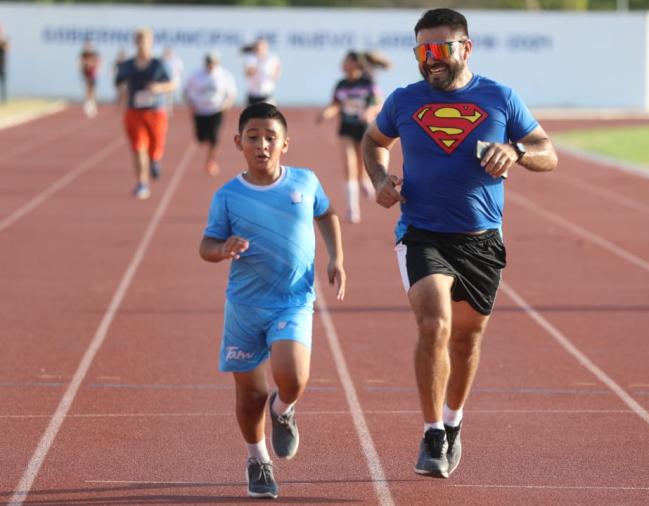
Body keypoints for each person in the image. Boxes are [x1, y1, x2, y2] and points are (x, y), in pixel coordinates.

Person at [361, 8, 557, 479]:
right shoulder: (404, 100)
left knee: (467, 340)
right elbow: (373, 142)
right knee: (436, 325)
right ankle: (431, 434)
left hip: (482, 240)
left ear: (464, 48)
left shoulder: (500, 98)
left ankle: (452, 423)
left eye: (439, 49)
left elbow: (549, 153)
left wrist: (517, 151)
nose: (430, 60)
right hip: (421, 232)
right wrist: (379, 179)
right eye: (421, 51)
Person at [199, 102, 346, 499]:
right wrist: (223, 249)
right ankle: (257, 459)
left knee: (293, 378)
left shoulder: (305, 182)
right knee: (250, 394)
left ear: (285, 143)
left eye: (270, 138)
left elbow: (328, 213)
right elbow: (206, 246)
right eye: (253, 137)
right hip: (245, 307)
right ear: (238, 142)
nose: (262, 145)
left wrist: (336, 257)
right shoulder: (227, 196)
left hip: (292, 301)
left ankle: (283, 411)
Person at [316, 50, 391, 224]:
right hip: (346, 128)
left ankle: (364, 178)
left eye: (347, 61)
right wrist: (325, 114)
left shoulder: (368, 83)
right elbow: (335, 104)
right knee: (348, 165)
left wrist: (369, 111)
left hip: (364, 129)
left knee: (361, 163)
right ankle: (352, 208)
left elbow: (378, 104)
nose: (343, 64)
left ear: (356, 64)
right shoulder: (341, 84)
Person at [115, 28, 174, 200]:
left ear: (151, 42)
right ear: (135, 43)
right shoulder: (127, 65)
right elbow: (119, 83)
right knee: (138, 146)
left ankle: (155, 160)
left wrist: (159, 88)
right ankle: (142, 183)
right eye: (139, 41)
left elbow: (171, 84)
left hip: (155, 112)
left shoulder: (158, 64)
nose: (142, 44)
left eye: (145, 41)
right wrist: (121, 98)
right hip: (134, 111)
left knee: (155, 146)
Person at [183, 50, 237, 176]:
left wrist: (226, 104)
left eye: (213, 63)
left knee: (215, 137)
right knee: (200, 138)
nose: (210, 65)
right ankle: (206, 141)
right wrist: (190, 104)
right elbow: (185, 90)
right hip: (200, 111)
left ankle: (211, 162)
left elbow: (231, 93)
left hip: (216, 110)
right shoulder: (195, 75)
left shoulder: (224, 75)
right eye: (208, 63)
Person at [244, 38, 281, 105]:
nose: (258, 49)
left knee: (268, 114)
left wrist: (269, 72)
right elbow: (248, 73)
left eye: (261, 47)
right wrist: (259, 62)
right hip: (253, 94)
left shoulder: (272, 58)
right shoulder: (251, 58)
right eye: (257, 47)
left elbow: (276, 75)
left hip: (266, 94)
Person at [79, 40, 101, 118]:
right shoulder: (83, 54)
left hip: (93, 74)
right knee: (87, 90)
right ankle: (87, 105)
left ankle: (93, 105)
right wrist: (82, 67)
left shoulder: (94, 53)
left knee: (93, 90)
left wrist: (95, 67)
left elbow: (98, 61)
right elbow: (80, 62)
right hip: (86, 74)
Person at [161, 46, 184, 113]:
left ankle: (169, 109)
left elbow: (180, 70)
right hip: (165, 81)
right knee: (166, 96)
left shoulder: (176, 60)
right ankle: (165, 109)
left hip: (173, 80)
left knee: (171, 96)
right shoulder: (162, 60)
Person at [0, 25, 9, 103]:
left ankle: (4, 98)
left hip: (2, 65)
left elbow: (6, 48)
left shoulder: (4, 41)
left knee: (3, 83)